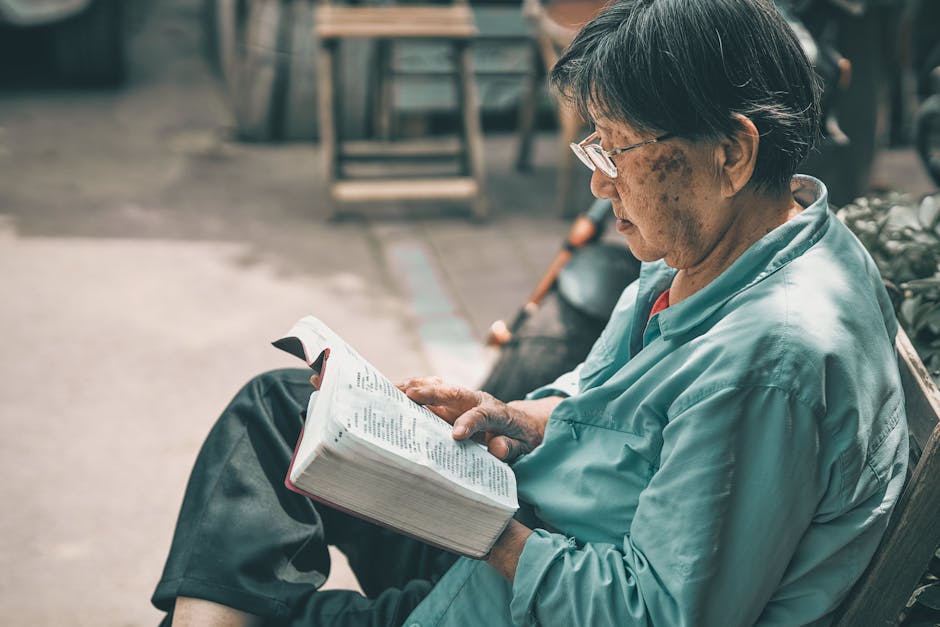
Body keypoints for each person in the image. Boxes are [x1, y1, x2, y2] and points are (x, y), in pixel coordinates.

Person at [151, 0, 909, 625]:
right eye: (596, 149)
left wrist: (489, 534)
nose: (600, 185)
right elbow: (621, 406)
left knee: (242, 598)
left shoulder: (770, 359)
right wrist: (519, 417)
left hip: (528, 593)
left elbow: (656, 614)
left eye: (619, 150)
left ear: (733, 153)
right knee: (283, 406)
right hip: (536, 531)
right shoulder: (740, 244)